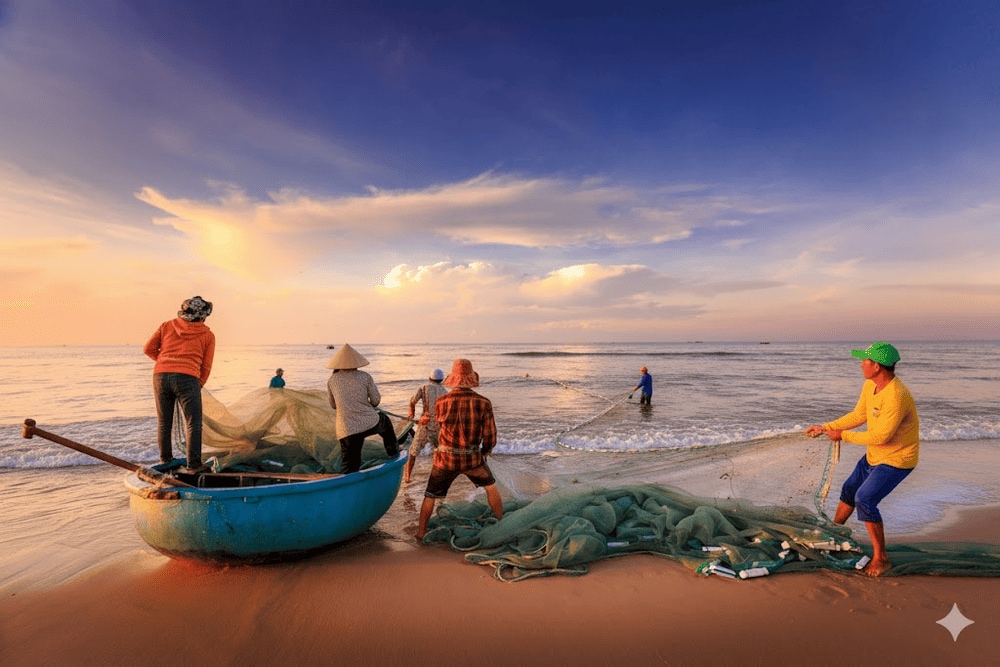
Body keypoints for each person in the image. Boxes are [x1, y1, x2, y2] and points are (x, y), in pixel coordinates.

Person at [805, 342, 920, 578]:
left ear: (876, 366)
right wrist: (826, 427)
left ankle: (881, 558)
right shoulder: (871, 385)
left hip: (898, 459)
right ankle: (834, 534)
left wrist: (843, 436)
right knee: (849, 489)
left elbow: (881, 436)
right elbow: (859, 415)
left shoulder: (897, 395)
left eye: (865, 360)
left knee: (864, 499)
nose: (861, 364)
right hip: (875, 455)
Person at [416, 359, 503, 541]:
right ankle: (502, 524)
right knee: (491, 488)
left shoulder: (441, 402)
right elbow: (490, 436)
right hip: (472, 459)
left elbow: (438, 428)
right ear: (471, 379)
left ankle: (421, 532)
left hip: (445, 459)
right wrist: (485, 452)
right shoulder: (483, 402)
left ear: (453, 379)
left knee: (430, 495)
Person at [143, 296, 216, 473]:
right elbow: (206, 366)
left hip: (160, 376)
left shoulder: (166, 326)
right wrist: (198, 384)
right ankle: (194, 465)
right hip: (187, 377)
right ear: (202, 316)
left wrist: (165, 362)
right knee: (193, 423)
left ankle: (166, 459)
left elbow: (148, 349)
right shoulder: (207, 335)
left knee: (164, 422)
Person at [325, 343, 398, 473]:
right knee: (384, 420)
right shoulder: (365, 376)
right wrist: (365, 404)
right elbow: (375, 401)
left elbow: (333, 405)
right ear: (356, 363)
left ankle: (347, 483)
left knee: (349, 465)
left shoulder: (332, 380)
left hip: (346, 428)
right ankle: (393, 452)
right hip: (368, 422)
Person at [404, 368, 448, 483]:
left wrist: (411, 414)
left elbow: (412, 401)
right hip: (438, 425)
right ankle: (440, 475)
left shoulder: (424, 387)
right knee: (440, 451)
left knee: (414, 451)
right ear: (441, 380)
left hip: (425, 423)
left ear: (430, 378)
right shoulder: (445, 392)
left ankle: (408, 476)